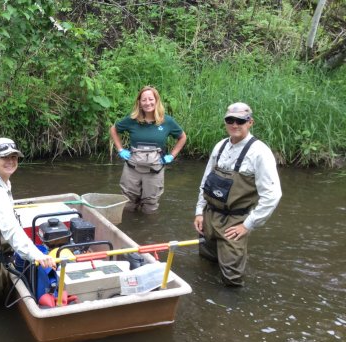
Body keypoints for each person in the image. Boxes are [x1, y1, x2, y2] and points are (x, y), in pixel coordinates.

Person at [194, 102, 282, 286]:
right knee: (206, 262)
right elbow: (206, 181)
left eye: (240, 120)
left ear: (250, 122)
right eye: (230, 120)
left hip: (234, 223)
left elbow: (273, 195)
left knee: (232, 277)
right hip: (209, 217)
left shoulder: (260, 153)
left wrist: (248, 225)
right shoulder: (220, 146)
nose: (235, 124)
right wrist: (199, 212)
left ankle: (230, 308)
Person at [0, 137, 56, 310]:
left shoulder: (3, 182)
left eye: (14, 157)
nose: (11, 161)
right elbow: (11, 230)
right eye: (5, 157)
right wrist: (38, 256)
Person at [109, 86, 187, 214]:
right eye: (144, 100)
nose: (147, 103)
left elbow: (182, 137)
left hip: (155, 170)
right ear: (139, 102)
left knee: (150, 207)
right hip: (132, 168)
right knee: (127, 204)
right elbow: (114, 129)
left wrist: (172, 156)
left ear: (156, 101)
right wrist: (120, 149)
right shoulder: (132, 120)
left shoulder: (167, 121)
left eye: (151, 99)